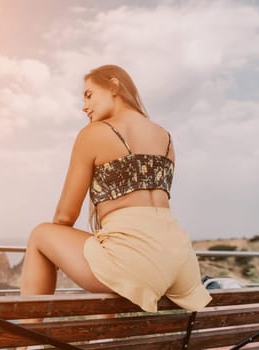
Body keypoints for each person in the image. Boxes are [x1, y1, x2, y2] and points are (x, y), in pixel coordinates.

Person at [19, 64, 211, 314]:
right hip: (181, 263)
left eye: (88, 95)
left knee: (40, 234)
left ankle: (26, 343)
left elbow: (64, 217)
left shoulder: (93, 134)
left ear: (113, 86)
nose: (84, 106)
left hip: (134, 260)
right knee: (120, 264)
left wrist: (60, 254)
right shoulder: (165, 137)